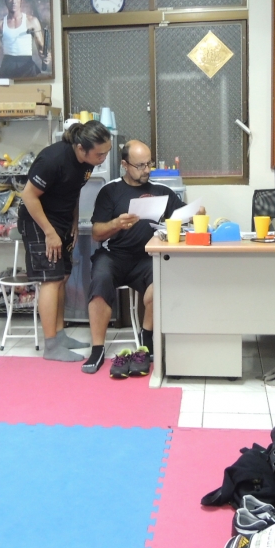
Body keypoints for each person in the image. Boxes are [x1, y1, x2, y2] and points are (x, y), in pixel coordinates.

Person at [81, 140, 204, 377]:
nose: (146, 170)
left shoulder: (162, 191)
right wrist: (116, 224)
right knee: (100, 281)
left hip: (148, 257)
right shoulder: (110, 191)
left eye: (149, 164)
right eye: (140, 165)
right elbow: (96, 233)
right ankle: (97, 349)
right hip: (114, 256)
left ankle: (146, 339)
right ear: (125, 165)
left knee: (163, 281)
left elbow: (183, 216)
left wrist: (197, 212)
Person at [19, 120, 112, 362]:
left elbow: (74, 190)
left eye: (107, 152)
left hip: (62, 220)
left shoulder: (86, 163)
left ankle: (59, 335)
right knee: (50, 279)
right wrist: (49, 232)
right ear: (81, 148)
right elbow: (28, 195)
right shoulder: (53, 159)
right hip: (38, 221)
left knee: (62, 277)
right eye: (99, 154)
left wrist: (73, 220)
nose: (103, 158)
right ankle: (51, 346)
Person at [0, 0, 48, 79]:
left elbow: (41, 46)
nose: (14, 1)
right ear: (5, 0)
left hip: (26, 64)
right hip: (8, 65)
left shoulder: (32, 21)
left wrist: (44, 56)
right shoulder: (0, 24)